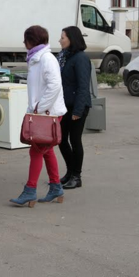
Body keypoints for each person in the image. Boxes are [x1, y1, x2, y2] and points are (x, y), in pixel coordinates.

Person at [10, 26, 67, 207]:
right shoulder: (36, 59)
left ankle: (30, 190)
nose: (23, 43)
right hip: (44, 113)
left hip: (48, 114)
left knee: (36, 151)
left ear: (31, 41)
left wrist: (39, 108)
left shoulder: (46, 59)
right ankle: (55, 187)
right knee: (46, 150)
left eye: (25, 40)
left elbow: (54, 86)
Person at [57, 26, 92, 190]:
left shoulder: (81, 58)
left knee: (75, 140)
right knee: (61, 140)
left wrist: (78, 111)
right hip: (64, 106)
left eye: (62, 37)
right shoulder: (65, 57)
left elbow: (83, 86)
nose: (60, 40)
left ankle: (76, 176)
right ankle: (70, 171)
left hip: (78, 106)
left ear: (72, 39)